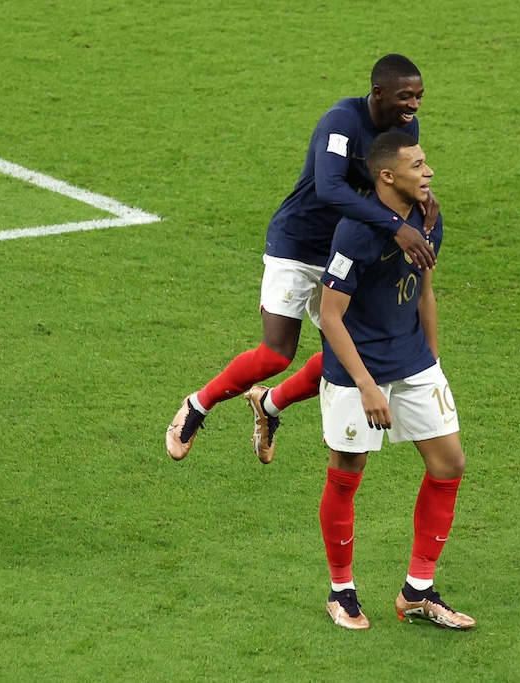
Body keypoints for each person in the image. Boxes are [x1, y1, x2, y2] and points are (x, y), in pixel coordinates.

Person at [166, 54, 439, 464]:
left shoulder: (405, 128)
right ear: (378, 93)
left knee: (349, 353)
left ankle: (269, 405)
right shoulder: (342, 122)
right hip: (297, 244)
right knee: (277, 352)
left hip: (342, 251)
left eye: (419, 96)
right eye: (405, 97)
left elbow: (394, 179)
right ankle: (197, 405)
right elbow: (329, 188)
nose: (414, 106)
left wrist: (419, 199)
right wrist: (394, 225)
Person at [317, 131, 474, 630]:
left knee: (450, 463)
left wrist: (433, 358)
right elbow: (330, 315)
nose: (428, 172)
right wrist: (365, 385)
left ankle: (418, 591)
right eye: (418, 165)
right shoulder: (354, 233)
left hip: (413, 362)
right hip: (355, 369)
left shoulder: (430, 217)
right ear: (387, 176)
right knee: (349, 468)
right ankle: (341, 592)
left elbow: (425, 290)